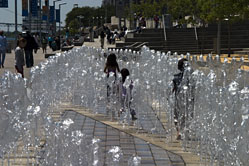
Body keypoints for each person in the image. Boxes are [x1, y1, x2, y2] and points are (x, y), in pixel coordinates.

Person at [172, 58, 194, 140]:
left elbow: (171, 90)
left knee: (177, 116)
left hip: (178, 100)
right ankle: (186, 133)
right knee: (188, 116)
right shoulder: (192, 78)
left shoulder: (175, 77)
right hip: (189, 100)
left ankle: (179, 132)